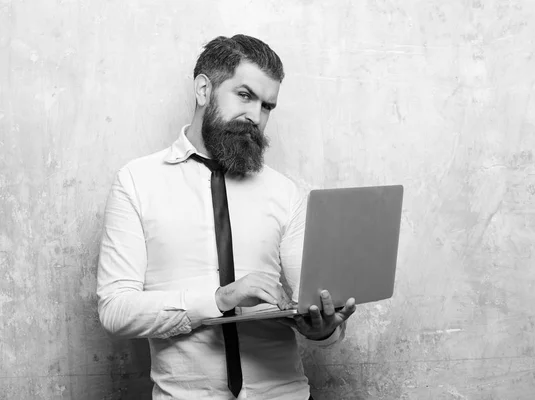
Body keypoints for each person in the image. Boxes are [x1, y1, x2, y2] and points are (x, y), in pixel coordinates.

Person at [96, 34, 356, 400]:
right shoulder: (136, 183)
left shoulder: (284, 193)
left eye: (267, 106)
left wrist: (323, 328)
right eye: (245, 95)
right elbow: (115, 309)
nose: (255, 117)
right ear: (204, 89)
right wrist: (220, 297)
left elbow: (312, 308)